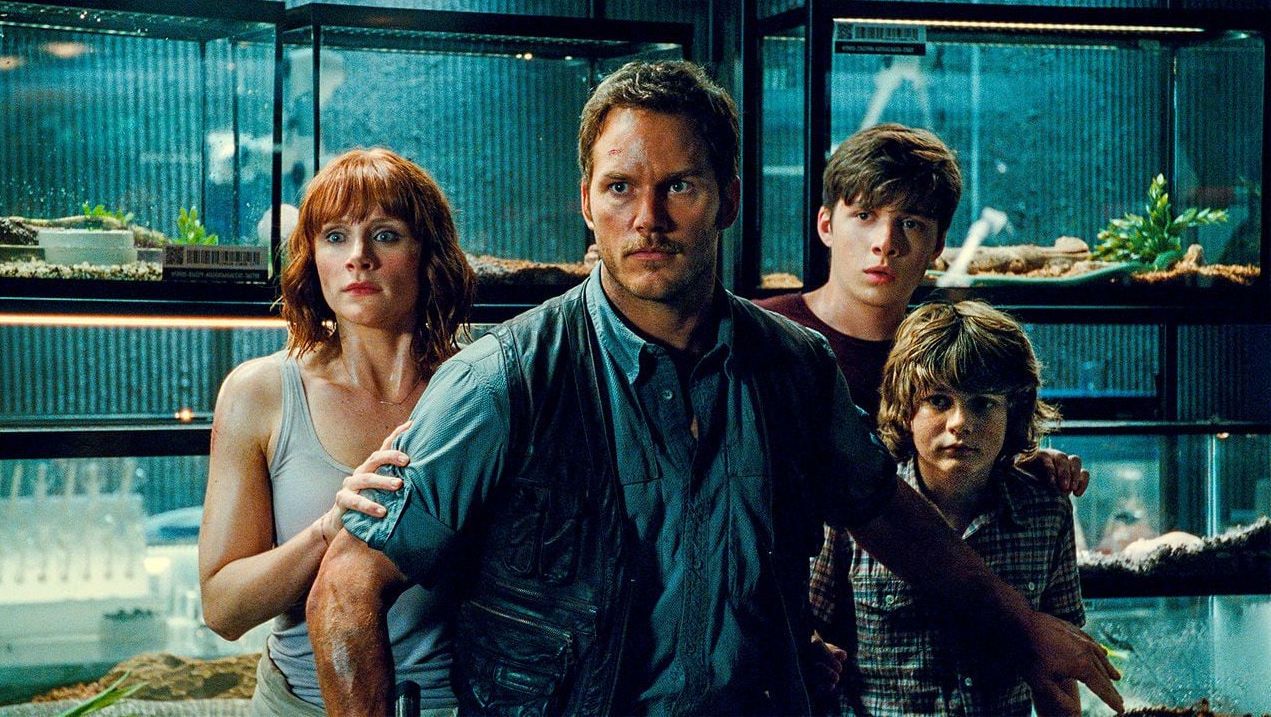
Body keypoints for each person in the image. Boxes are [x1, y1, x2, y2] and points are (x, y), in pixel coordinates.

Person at [307, 61, 1121, 716]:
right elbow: (345, 587)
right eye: (620, 187)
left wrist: (1022, 625)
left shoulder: (793, 368)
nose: (648, 217)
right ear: (586, 202)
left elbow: (885, 512)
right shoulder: (505, 378)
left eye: (679, 186)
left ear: (728, 197)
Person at [754, 124, 1088, 652]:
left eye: (911, 222)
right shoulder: (763, 338)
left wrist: (1018, 462)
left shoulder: (942, 354)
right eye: (865, 215)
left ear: (938, 244)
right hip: (778, 631)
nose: (885, 243)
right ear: (826, 224)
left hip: (917, 649)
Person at [199, 148, 476, 715]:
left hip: (462, 703)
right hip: (299, 704)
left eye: (386, 235)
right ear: (313, 259)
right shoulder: (260, 393)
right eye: (335, 237)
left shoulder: (480, 386)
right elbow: (223, 610)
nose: (358, 258)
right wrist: (329, 530)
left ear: (429, 254)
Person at [842, 300, 1084, 716]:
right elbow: (810, 633)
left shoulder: (1046, 513)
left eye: (983, 403)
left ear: (1013, 411)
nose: (960, 422)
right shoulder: (859, 503)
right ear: (907, 408)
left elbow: (1060, 664)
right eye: (939, 401)